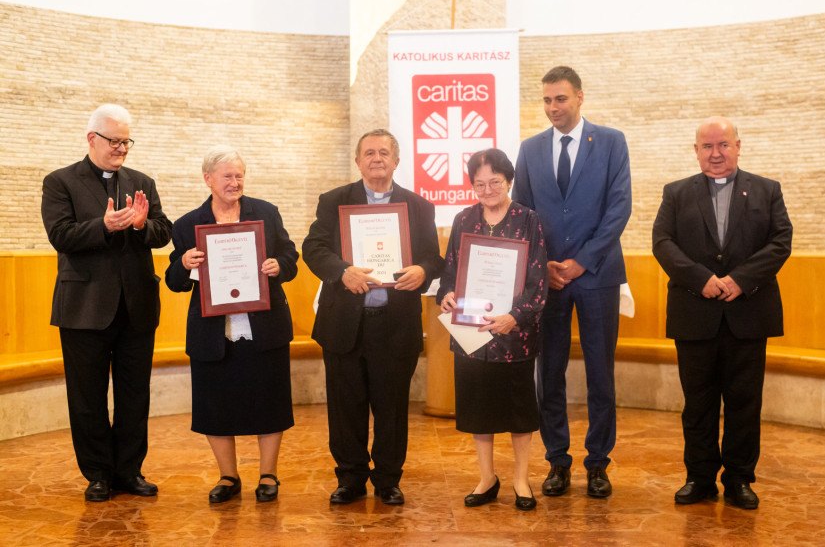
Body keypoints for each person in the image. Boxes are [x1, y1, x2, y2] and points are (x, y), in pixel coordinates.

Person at [652, 116, 792, 510]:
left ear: (738, 146)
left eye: (723, 145)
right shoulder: (676, 193)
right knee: (698, 403)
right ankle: (699, 478)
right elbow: (662, 242)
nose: (716, 154)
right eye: (707, 146)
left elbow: (781, 241)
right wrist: (702, 279)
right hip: (694, 313)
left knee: (744, 403)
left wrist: (739, 280)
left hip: (748, 313)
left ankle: (739, 479)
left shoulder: (767, 190)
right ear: (696, 150)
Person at [302, 129, 444, 505]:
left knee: (391, 407)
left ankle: (387, 480)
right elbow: (313, 247)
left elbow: (433, 257)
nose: (376, 158)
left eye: (384, 152)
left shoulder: (419, 206)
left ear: (396, 161)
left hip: (395, 324)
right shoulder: (334, 201)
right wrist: (342, 271)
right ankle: (350, 479)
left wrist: (422, 271)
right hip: (345, 323)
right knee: (345, 407)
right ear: (358, 161)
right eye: (369, 153)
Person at [41, 104, 172, 502]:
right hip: (84, 307)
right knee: (87, 398)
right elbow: (60, 235)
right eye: (114, 141)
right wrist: (104, 225)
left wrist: (141, 225)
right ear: (91, 139)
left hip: (136, 307)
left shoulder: (142, 182)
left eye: (126, 141)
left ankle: (129, 471)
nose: (121, 149)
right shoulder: (60, 182)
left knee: (135, 395)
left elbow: (163, 231)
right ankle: (98, 474)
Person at [512, 66, 631, 498]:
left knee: (601, 373)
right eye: (546, 100)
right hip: (549, 280)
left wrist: (581, 262)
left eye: (560, 99)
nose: (553, 108)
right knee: (550, 373)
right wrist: (542, 264)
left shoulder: (612, 142)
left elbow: (619, 208)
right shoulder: (530, 149)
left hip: (597, 275)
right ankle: (557, 461)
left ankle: (598, 463)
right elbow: (522, 212)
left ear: (580, 97)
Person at [165, 145, 299, 503]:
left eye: (240, 176)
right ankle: (228, 476)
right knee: (215, 405)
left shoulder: (266, 213)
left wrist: (280, 266)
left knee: (269, 401)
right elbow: (174, 280)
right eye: (227, 176)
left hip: (264, 327)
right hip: (213, 333)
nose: (235, 182)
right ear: (208, 179)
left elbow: (290, 256)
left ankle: (268, 474)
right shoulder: (187, 225)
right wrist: (185, 264)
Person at [437, 148, 548, 511]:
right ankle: (487, 478)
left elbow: (538, 281)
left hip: (515, 333)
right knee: (478, 409)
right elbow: (450, 272)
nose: (487, 190)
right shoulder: (464, 219)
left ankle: (521, 479)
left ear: (509, 181)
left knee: (519, 411)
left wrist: (515, 316)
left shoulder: (528, 220)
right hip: (472, 334)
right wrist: (447, 294)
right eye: (479, 184)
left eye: (495, 182)